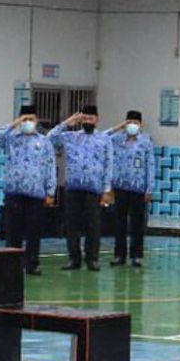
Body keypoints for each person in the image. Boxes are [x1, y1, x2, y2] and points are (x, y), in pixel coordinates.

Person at [0, 105, 56, 276]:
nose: (28, 123)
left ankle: (32, 263)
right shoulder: (10, 138)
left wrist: (50, 191)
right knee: (13, 231)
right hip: (14, 192)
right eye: (24, 119)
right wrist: (13, 124)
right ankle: (11, 264)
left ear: (37, 120)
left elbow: (50, 166)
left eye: (31, 119)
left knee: (34, 231)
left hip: (36, 193)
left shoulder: (44, 141)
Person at [49, 105, 115, 272]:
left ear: (97, 119)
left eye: (90, 119)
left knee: (93, 225)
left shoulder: (104, 139)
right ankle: (74, 258)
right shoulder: (71, 137)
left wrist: (107, 189)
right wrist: (67, 123)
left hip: (94, 189)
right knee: (72, 225)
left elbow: (109, 165)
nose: (87, 121)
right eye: (84, 118)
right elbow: (49, 138)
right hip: (73, 188)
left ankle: (92, 259)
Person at [107, 110, 155, 267]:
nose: (132, 126)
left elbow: (151, 165)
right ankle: (119, 255)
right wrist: (117, 127)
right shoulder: (117, 140)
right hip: (120, 186)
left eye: (135, 123)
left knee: (137, 223)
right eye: (129, 122)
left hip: (138, 188)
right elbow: (102, 137)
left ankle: (136, 255)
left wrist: (149, 188)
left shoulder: (146, 141)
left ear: (140, 125)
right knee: (119, 222)